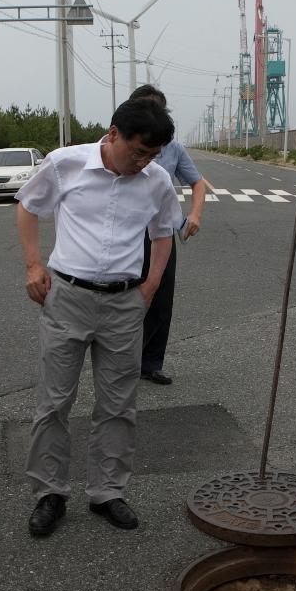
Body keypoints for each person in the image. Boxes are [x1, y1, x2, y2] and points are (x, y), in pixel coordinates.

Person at [15, 96, 180, 537]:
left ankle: (108, 491)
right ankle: (49, 492)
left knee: (118, 403)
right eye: (137, 151)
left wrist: (151, 285)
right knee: (54, 400)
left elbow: (163, 234)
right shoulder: (64, 164)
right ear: (113, 134)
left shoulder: (157, 181)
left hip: (125, 303)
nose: (143, 162)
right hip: (67, 295)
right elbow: (28, 206)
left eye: (152, 155)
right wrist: (34, 265)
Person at [124, 84, 207, 386]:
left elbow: (197, 183)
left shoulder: (173, 149)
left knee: (160, 297)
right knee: (122, 295)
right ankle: (121, 361)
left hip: (161, 234)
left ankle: (150, 363)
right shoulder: (121, 140)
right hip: (126, 232)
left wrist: (195, 215)